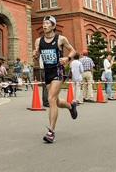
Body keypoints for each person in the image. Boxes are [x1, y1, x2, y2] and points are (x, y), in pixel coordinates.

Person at [32, 15, 77, 143]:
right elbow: (36, 57)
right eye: (43, 23)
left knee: (50, 98)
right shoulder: (38, 41)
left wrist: (67, 59)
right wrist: (35, 55)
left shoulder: (60, 39)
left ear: (53, 26)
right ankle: (70, 106)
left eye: (47, 23)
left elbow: (73, 51)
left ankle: (51, 131)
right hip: (46, 72)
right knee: (55, 101)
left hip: (58, 70)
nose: (44, 25)